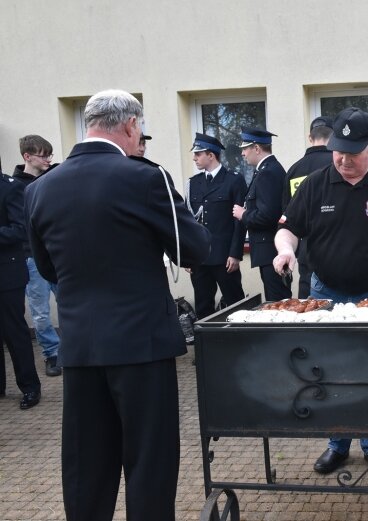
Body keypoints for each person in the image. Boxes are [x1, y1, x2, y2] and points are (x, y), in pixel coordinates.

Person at [25, 89, 211, 521]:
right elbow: (194, 249)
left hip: (81, 347)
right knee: (149, 463)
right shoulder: (146, 177)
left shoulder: (40, 189)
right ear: (131, 126)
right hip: (142, 346)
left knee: (86, 464)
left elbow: (49, 268)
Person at [273, 107, 368, 476]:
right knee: (331, 370)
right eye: (339, 150)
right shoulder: (315, 183)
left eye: (352, 153)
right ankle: (337, 445)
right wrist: (286, 249)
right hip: (326, 292)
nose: (343, 159)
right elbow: (287, 228)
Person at [12, 135, 61, 376]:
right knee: (40, 310)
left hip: (57, 253)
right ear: (27, 157)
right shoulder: (14, 186)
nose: (49, 160)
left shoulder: (52, 179)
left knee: (68, 303)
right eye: (44, 155)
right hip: (31, 257)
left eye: (50, 155)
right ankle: (51, 353)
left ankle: (70, 350)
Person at [186, 133, 247, 318]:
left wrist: (235, 253)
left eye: (198, 154)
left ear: (211, 155)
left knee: (235, 303)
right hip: (200, 257)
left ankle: (242, 345)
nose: (194, 158)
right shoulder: (193, 183)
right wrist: (189, 254)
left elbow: (239, 221)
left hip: (224, 256)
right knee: (203, 307)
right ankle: (208, 346)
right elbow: (188, 221)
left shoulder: (233, 180)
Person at [232, 127, 292, 302]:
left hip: (271, 251)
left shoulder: (268, 172)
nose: (243, 153)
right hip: (269, 251)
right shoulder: (266, 170)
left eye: (245, 148)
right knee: (277, 302)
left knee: (279, 303)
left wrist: (243, 214)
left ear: (256, 148)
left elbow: (268, 215)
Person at [0, 171, 42, 409]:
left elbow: (20, 229)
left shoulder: (10, 187)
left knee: (14, 333)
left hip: (6, 272)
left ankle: (30, 387)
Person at [282, 115, 334, 298]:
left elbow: (287, 216)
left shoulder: (294, 170)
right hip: (338, 248)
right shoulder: (340, 166)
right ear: (334, 136)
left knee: (309, 311)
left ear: (310, 137)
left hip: (307, 250)